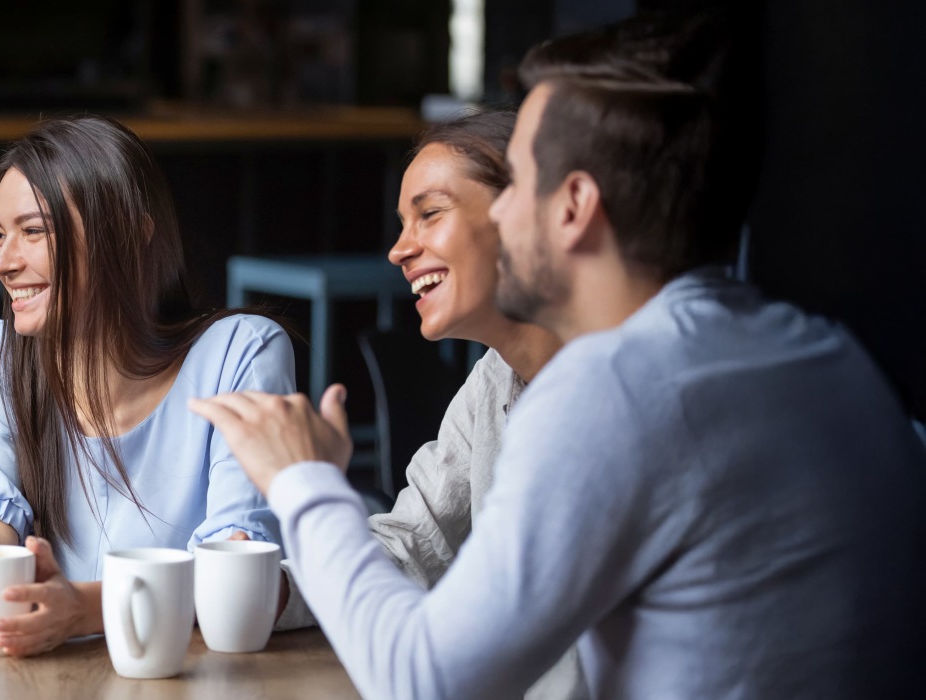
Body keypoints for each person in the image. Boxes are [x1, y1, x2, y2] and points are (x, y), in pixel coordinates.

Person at [190, 34, 926, 700]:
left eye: (518, 184)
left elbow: (423, 678)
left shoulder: (616, 387)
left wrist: (304, 482)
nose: (503, 217)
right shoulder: (829, 354)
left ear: (574, 204)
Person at [0, 116, 308, 656]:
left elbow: (235, 573)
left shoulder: (240, 355)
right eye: (0, 236)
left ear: (129, 234)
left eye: (33, 232)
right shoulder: (0, 358)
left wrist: (85, 608)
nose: (1, 263)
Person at [376, 110, 583, 700]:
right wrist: (270, 588)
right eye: (402, 223)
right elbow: (414, 542)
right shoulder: (496, 377)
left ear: (525, 212)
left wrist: (306, 488)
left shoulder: (610, 397)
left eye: (429, 214)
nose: (399, 249)